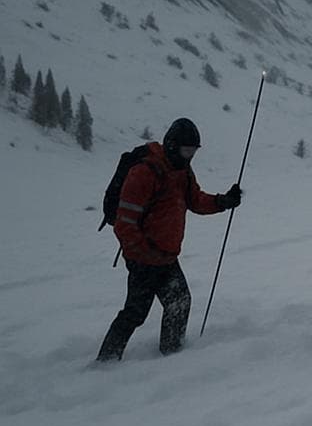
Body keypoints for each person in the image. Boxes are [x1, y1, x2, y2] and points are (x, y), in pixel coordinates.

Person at [97, 118, 241, 360]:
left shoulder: (182, 171)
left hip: (166, 256)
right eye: (186, 150)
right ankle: (106, 361)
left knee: (180, 301)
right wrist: (140, 254)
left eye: (193, 151)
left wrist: (223, 201)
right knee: (135, 313)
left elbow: (195, 200)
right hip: (144, 259)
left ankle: (172, 355)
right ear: (172, 146)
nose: (190, 156)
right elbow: (124, 223)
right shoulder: (145, 172)